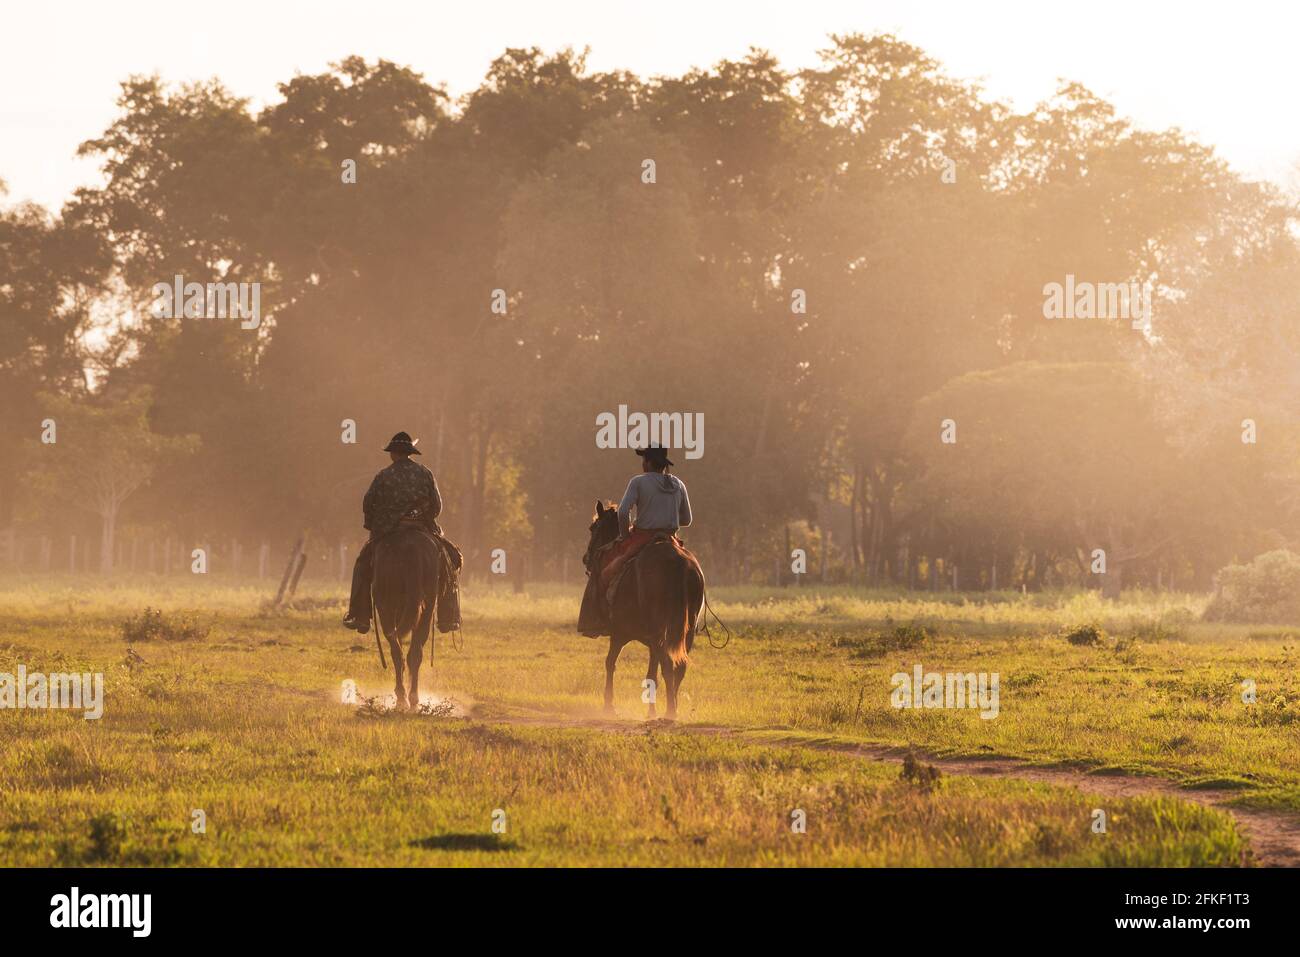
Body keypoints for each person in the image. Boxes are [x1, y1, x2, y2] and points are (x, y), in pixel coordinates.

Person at [342, 431, 458, 632]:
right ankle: (448, 617)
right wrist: (424, 518)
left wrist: (373, 526)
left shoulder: (383, 476)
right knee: (451, 560)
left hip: (389, 531)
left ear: (393, 454)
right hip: (422, 527)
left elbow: (368, 504)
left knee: (362, 565)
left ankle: (360, 616)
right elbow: (437, 506)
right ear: (410, 453)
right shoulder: (425, 473)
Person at [601, 445, 693, 586]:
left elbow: (623, 512)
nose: (642, 463)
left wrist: (626, 536)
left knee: (608, 572)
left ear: (649, 462)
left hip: (642, 537)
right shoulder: (679, 484)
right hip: (670, 539)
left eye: (644, 459)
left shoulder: (638, 482)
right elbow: (687, 520)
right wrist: (667, 519)